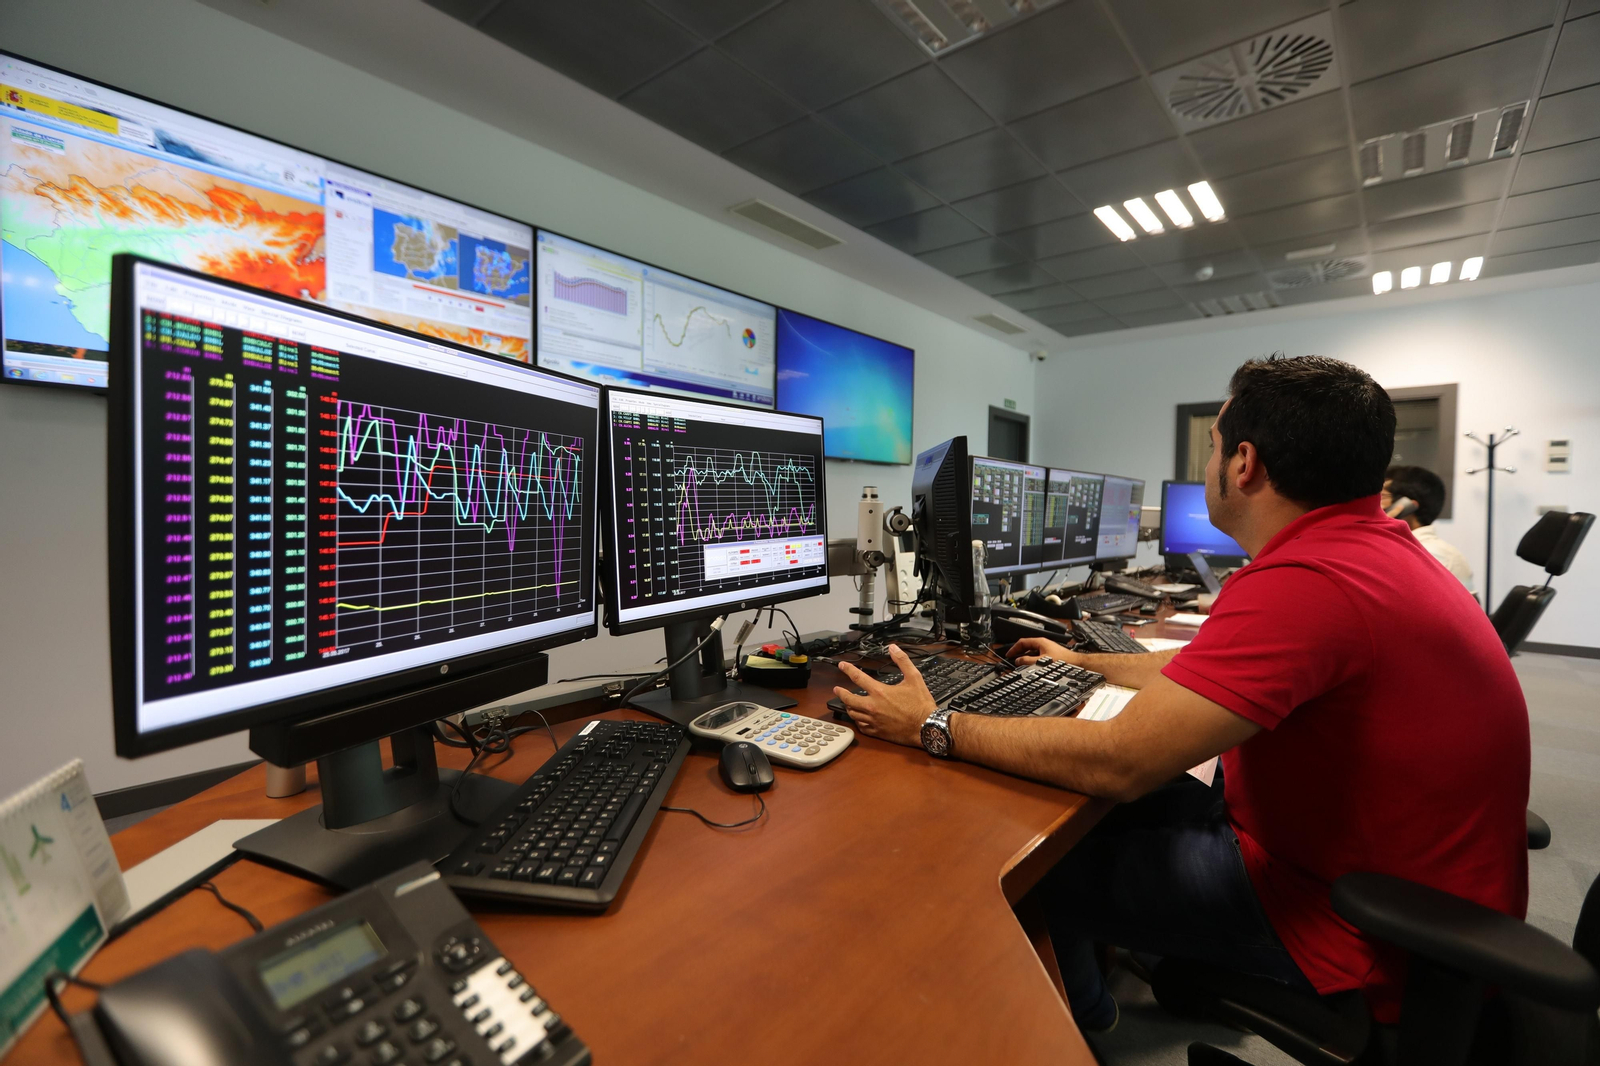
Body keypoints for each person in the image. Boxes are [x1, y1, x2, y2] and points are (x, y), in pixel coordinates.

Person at [833, 356, 1528, 1032]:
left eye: (1214, 446)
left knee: (1027, 864)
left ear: (1243, 464)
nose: (1209, 465)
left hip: (1350, 920)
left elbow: (1118, 763)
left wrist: (932, 723)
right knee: (1089, 814)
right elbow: (1207, 665)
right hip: (1401, 882)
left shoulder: (1309, 581)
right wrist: (1086, 662)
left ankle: (1083, 1022)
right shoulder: (1368, 551)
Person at [1383, 464, 1475, 592]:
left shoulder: (1428, 552)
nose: (1375, 505)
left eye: (1382, 497)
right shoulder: (1423, 548)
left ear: (1406, 506)